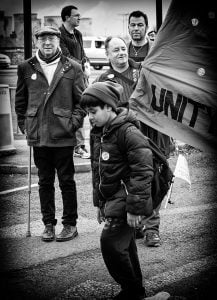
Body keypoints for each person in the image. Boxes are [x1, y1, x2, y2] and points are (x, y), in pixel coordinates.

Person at [80, 81, 154, 300]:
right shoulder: (100, 132)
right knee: (126, 246)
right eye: (87, 113)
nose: (89, 117)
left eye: (93, 112)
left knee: (111, 243)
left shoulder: (128, 132)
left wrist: (134, 209)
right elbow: (99, 172)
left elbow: (143, 172)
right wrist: (100, 204)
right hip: (113, 200)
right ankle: (135, 291)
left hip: (127, 201)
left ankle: (131, 291)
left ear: (110, 107)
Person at [15, 26, 86, 242]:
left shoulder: (73, 67)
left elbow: (82, 101)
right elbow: (20, 101)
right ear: (37, 41)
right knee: (45, 182)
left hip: (63, 135)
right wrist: (25, 126)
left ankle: (70, 224)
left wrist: (72, 124)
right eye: (43, 39)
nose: (47, 43)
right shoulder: (26, 67)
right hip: (38, 135)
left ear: (58, 42)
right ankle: (48, 224)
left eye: (52, 39)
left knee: (66, 181)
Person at [128, 10, 174, 247]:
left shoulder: (158, 53)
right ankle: (137, 224)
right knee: (135, 177)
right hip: (133, 127)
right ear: (128, 27)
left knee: (156, 177)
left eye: (140, 25)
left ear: (146, 27)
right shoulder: (122, 54)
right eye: (132, 25)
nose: (136, 28)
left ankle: (152, 228)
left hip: (156, 127)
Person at [59, 5, 90, 159]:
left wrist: (87, 64)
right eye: (76, 15)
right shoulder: (59, 34)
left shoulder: (77, 33)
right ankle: (78, 146)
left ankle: (78, 145)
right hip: (67, 78)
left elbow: (82, 53)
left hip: (80, 77)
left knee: (81, 108)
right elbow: (65, 56)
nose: (79, 18)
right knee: (74, 110)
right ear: (66, 17)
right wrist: (81, 67)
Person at [94, 36, 141, 105]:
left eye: (123, 49)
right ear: (107, 55)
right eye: (116, 50)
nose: (121, 53)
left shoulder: (142, 70)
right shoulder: (101, 80)